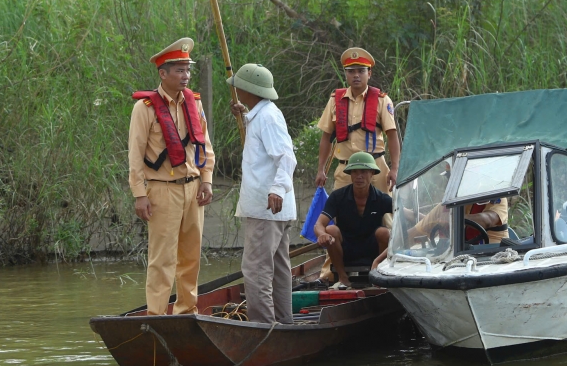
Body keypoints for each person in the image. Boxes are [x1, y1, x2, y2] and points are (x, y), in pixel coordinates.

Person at [128, 37, 215, 315]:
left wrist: (206, 180)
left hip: (193, 189)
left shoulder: (194, 103)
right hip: (162, 189)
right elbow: (135, 155)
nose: (186, 76)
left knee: (191, 257)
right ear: (163, 74)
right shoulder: (145, 108)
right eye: (179, 70)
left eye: (187, 70)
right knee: (162, 259)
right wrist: (139, 194)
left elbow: (205, 146)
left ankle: (186, 312)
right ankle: (156, 316)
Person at [314, 47, 400, 282]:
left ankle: (392, 265)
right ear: (346, 74)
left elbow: (392, 135)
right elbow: (326, 137)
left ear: (369, 74)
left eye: (361, 71)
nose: (356, 76)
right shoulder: (335, 100)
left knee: (388, 219)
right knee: (335, 222)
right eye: (351, 71)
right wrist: (321, 169)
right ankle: (331, 272)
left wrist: (394, 168)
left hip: (376, 167)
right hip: (345, 169)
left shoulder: (381, 100)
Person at [229, 63, 297, 324]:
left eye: (240, 87)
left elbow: (286, 157)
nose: (236, 90)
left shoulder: (267, 117)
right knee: (278, 270)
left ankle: (264, 328)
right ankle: (284, 324)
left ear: (249, 89)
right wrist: (244, 114)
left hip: (267, 208)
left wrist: (277, 189)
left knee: (256, 270)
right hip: (273, 210)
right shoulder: (263, 114)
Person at [313, 152, 392, 289]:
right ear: (350, 174)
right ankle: (343, 277)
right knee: (330, 230)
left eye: (363, 172)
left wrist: (426, 221)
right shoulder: (338, 196)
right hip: (346, 249)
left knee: (384, 233)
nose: (359, 176)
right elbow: (319, 224)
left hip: (373, 250)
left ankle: (379, 275)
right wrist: (322, 235)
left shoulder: (381, 198)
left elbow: (404, 213)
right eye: (355, 172)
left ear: (372, 173)